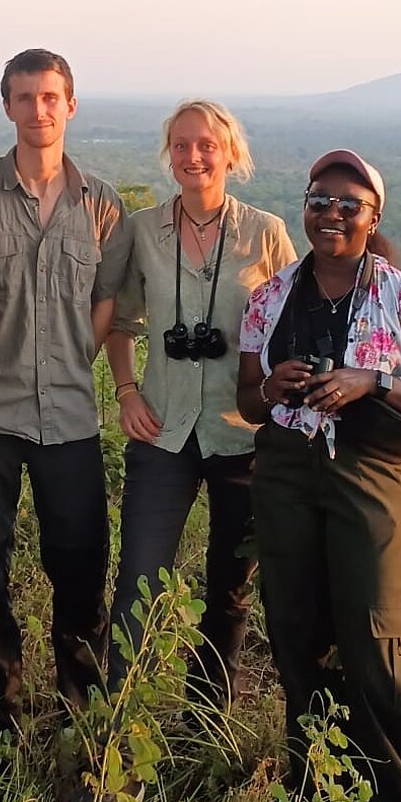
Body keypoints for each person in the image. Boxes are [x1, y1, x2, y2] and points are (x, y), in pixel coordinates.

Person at [236, 150, 401, 802]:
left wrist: (373, 379)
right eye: (319, 201)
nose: (331, 214)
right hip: (284, 477)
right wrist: (274, 385)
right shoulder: (271, 296)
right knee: (298, 640)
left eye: (348, 204)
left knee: (378, 646)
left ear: (374, 217)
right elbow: (248, 400)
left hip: (369, 478)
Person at [0, 49, 131, 754]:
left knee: (81, 564)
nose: (38, 110)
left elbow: (106, 307)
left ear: (71, 105)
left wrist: (68, 366)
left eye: (51, 96)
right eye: (24, 97)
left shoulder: (103, 205)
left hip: (70, 414)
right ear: (7, 106)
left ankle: (79, 717)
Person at [105, 101, 295, 709]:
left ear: (230, 153)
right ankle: (114, 717)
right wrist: (127, 391)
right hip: (163, 426)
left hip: (241, 433)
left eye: (206, 145)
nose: (193, 156)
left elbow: (292, 325)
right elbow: (121, 320)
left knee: (230, 585)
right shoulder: (142, 229)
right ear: (169, 153)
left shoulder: (264, 233)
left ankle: (210, 714)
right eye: (182, 145)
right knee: (138, 577)